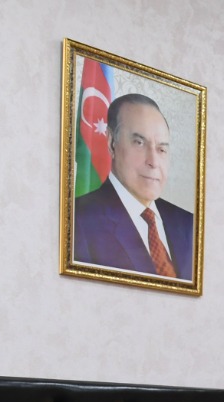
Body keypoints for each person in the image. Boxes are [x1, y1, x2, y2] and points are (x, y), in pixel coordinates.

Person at [73, 93, 196, 280]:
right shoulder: (78, 220)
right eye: (139, 143)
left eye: (161, 149)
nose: (153, 162)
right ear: (112, 143)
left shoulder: (188, 224)